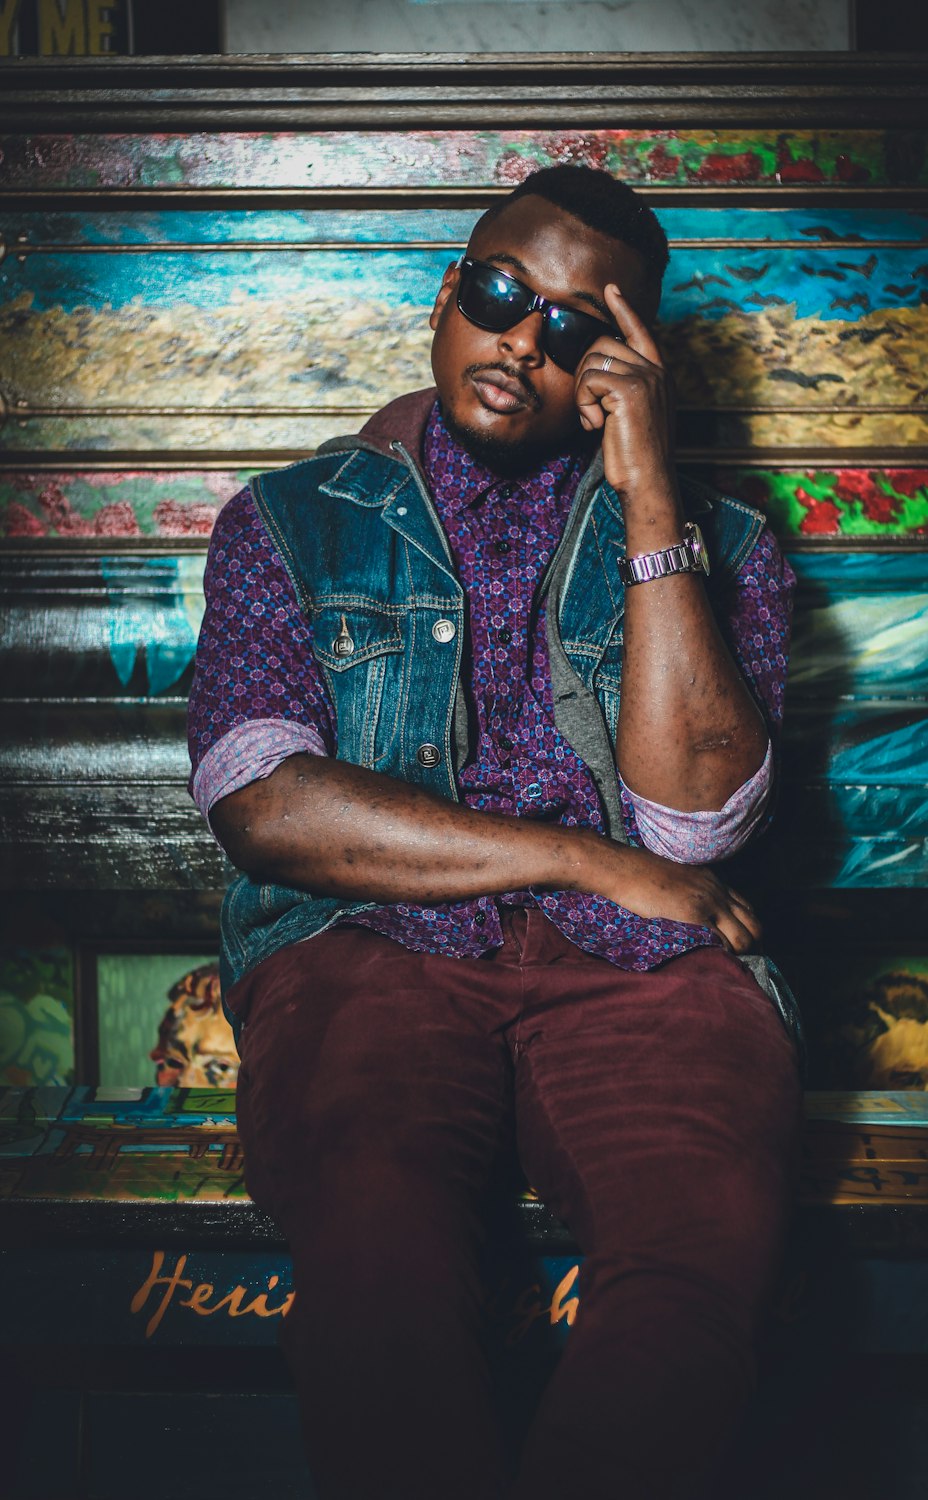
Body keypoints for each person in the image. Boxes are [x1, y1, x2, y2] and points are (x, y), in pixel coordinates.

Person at [187, 165, 802, 1500]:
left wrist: (651, 502)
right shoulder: (289, 525)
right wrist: (584, 857)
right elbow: (267, 807)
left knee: (708, 1251)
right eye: (502, 291)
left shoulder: (729, 545)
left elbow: (693, 823)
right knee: (375, 1251)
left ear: (626, 363)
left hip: (637, 970)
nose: (525, 338)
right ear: (448, 291)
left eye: (578, 325)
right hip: (375, 946)